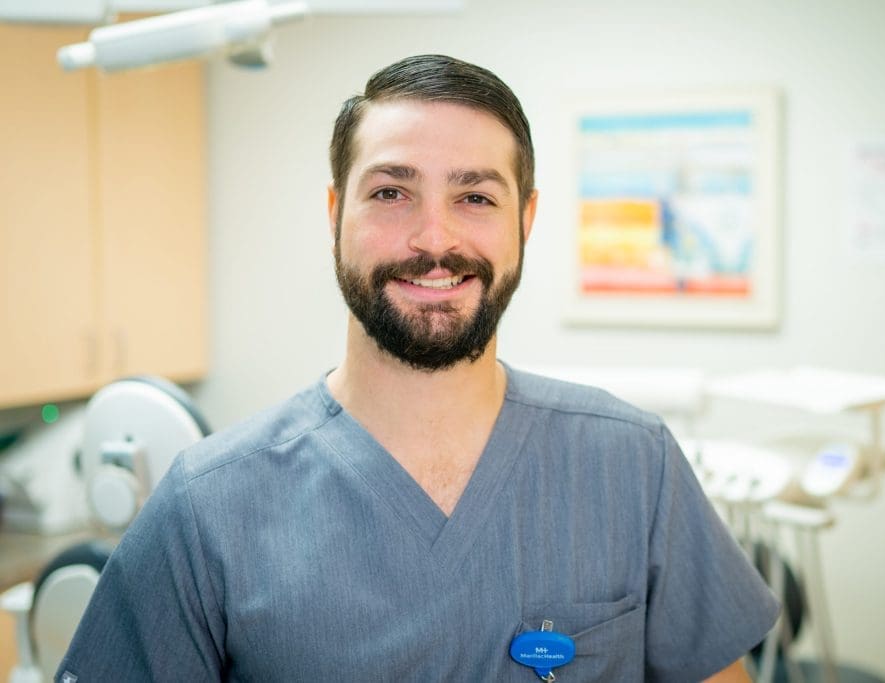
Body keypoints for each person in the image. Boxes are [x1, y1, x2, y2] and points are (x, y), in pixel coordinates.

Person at [57, 54, 778, 682]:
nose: (435, 238)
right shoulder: (205, 509)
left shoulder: (633, 468)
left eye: (474, 196)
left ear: (525, 220)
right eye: (391, 192)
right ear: (336, 211)